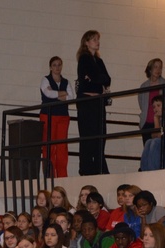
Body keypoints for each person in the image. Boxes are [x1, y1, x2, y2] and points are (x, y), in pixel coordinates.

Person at [76, 30, 111, 176]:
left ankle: (99, 167)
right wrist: (97, 79)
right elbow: (96, 77)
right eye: (94, 39)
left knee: (100, 135)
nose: (97, 42)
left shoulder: (99, 60)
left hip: (97, 101)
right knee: (88, 135)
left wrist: (96, 79)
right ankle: (86, 168)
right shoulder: (84, 59)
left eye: (98, 39)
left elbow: (107, 79)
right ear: (86, 42)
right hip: (88, 101)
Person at [39, 55, 75, 178]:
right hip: (48, 115)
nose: (57, 67)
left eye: (59, 64)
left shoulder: (66, 81)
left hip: (63, 117)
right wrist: (62, 94)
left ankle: (62, 176)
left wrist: (56, 95)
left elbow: (71, 97)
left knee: (61, 147)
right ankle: (49, 175)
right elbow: (47, 93)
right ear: (50, 67)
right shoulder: (45, 79)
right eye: (54, 65)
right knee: (48, 146)